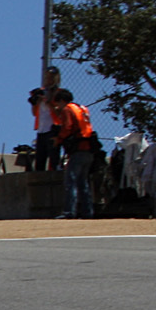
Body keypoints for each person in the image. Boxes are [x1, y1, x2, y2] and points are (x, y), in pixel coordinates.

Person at [54, 88, 100, 218]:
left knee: (71, 181)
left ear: (62, 101)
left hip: (78, 150)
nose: (57, 107)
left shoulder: (67, 109)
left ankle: (69, 212)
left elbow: (67, 127)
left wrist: (59, 139)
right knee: (83, 183)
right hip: (89, 149)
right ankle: (87, 212)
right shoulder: (82, 109)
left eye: (58, 103)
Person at [30, 65, 63, 171]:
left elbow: (60, 113)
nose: (49, 80)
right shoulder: (40, 91)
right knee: (40, 160)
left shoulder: (59, 93)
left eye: (52, 77)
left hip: (53, 129)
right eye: (47, 77)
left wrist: (49, 102)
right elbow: (35, 113)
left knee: (54, 159)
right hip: (41, 130)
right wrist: (36, 102)